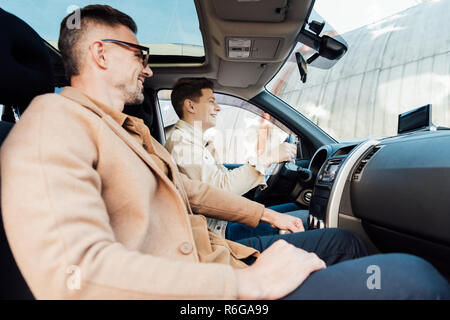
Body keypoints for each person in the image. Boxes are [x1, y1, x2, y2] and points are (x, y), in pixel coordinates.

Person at [1, 5, 448, 300]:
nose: (148, 66)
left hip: (212, 257)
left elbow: (190, 190)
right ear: (100, 53)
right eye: (139, 52)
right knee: (413, 279)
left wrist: (264, 216)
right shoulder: (53, 121)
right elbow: (73, 275)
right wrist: (245, 283)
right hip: (200, 289)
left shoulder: (128, 130)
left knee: (346, 240)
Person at [165, 78, 309, 240]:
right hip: (216, 235)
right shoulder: (182, 144)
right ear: (190, 106)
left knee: (296, 207)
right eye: (211, 102)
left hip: (222, 223)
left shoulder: (196, 141)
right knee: (306, 218)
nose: (218, 108)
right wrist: (268, 157)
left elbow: (223, 181)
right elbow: (221, 192)